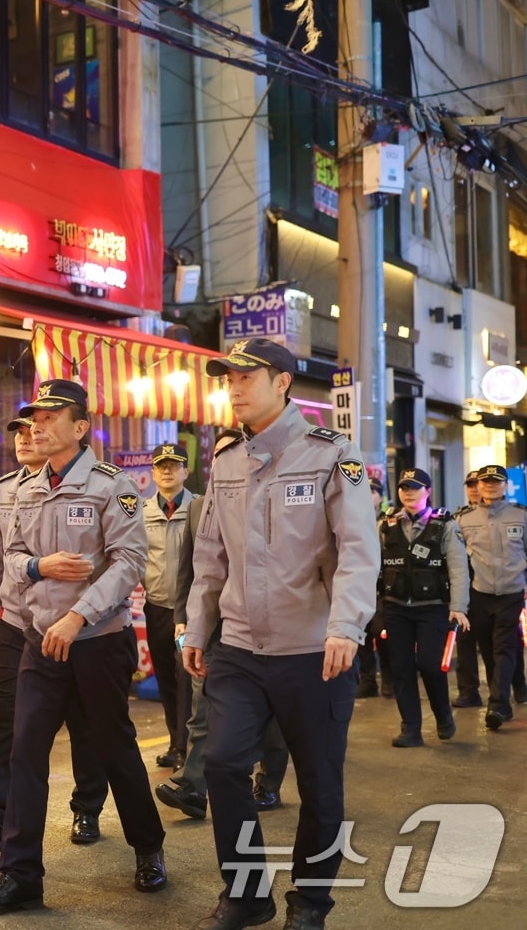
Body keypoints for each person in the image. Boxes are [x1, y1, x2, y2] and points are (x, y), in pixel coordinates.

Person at [184, 338, 378, 930]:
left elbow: (357, 549)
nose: (234, 389)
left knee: (319, 784)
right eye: (228, 379)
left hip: (314, 651)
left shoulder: (332, 454)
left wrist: (346, 625)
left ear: (283, 382)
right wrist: (198, 628)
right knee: (222, 764)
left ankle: (310, 903)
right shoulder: (226, 460)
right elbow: (210, 556)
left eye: (246, 377)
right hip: (240, 648)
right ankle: (246, 895)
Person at [0, 380, 167, 916]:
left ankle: (148, 847)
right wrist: (39, 567)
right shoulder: (26, 488)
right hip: (40, 642)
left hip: (97, 641)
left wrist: (78, 616)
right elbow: (11, 556)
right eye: (34, 418)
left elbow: (130, 561)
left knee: (114, 748)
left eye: (49, 417)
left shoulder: (111, 486)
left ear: (79, 428)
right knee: (25, 751)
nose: (37, 426)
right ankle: (19, 875)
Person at [0, 417, 109, 852]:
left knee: (82, 719)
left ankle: (87, 807)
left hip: (68, 623)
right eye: (18, 432)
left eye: (32, 429)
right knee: (6, 718)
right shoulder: (5, 489)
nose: (25, 437)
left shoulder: (91, 485)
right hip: (16, 623)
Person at [154, 430, 290, 821]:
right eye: (218, 455)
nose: (225, 461)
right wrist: (184, 620)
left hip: (264, 622)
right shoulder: (200, 508)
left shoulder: (271, 496)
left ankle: (268, 780)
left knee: (270, 709)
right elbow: (190, 570)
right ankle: (194, 785)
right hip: (212, 625)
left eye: (233, 452)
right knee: (205, 706)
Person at [378, 468, 469, 747]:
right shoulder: (386, 525)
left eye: (415, 488)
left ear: (428, 491)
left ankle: (443, 717)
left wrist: (459, 606)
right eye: (404, 487)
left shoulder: (445, 525)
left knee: (430, 665)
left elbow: (458, 568)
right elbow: (373, 566)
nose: (408, 493)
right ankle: (411, 729)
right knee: (401, 669)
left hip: (432, 607)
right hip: (396, 607)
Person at [455, 464, 527, 731]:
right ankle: (503, 701)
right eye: (485, 481)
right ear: (478, 485)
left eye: (496, 481)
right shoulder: (463, 519)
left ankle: (497, 704)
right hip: (479, 594)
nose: (490, 485)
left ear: (505, 485)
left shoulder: (521, 516)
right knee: (487, 649)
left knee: (504, 647)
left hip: (511, 592)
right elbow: (457, 560)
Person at [143, 443, 196, 770]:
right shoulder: (141, 512)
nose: (167, 471)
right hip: (157, 609)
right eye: (161, 466)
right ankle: (176, 743)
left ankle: (186, 748)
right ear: (152, 473)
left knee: (186, 679)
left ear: (185, 472)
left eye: (174, 465)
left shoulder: (199, 508)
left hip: (189, 613)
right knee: (164, 677)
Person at [356, 477, 393, 699]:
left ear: (381, 497)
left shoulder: (390, 521)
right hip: (359, 585)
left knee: (383, 635)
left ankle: (389, 679)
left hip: (383, 587)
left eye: (372, 491)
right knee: (361, 636)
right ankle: (368, 681)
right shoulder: (352, 518)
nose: (368, 495)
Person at [452, 470, 486, 707]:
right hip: (466, 586)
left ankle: (514, 686)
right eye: (470, 485)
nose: (473, 489)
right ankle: (468, 691)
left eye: (477, 484)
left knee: (497, 642)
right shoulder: (458, 518)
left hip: (491, 588)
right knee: (464, 640)